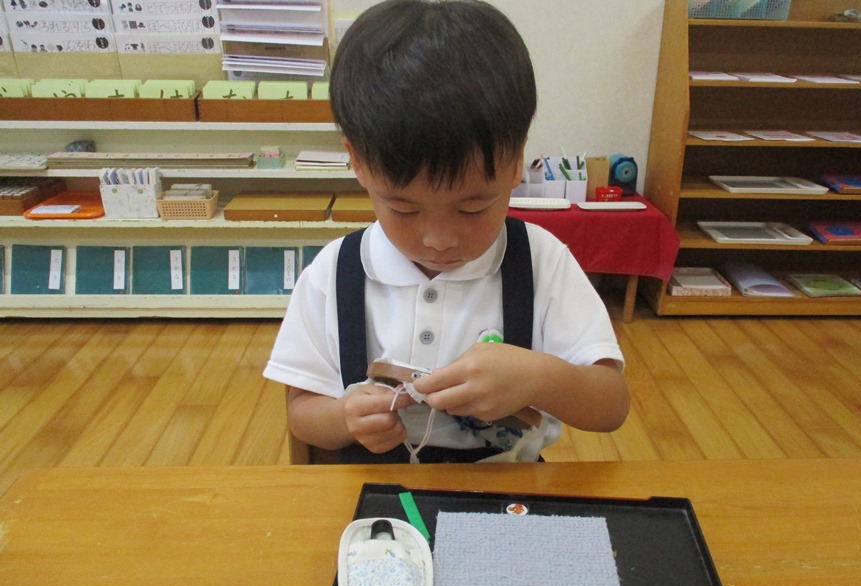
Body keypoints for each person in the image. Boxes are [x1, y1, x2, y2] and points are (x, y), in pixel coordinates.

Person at [263, 0, 629, 463]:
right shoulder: (334, 273)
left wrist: (539, 379)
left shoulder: (540, 262)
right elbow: (301, 412)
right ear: (357, 161)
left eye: (473, 208)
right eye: (404, 209)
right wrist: (344, 418)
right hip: (372, 491)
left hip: (505, 488)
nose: (439, 240)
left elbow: (611, 405)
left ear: (517, 160)